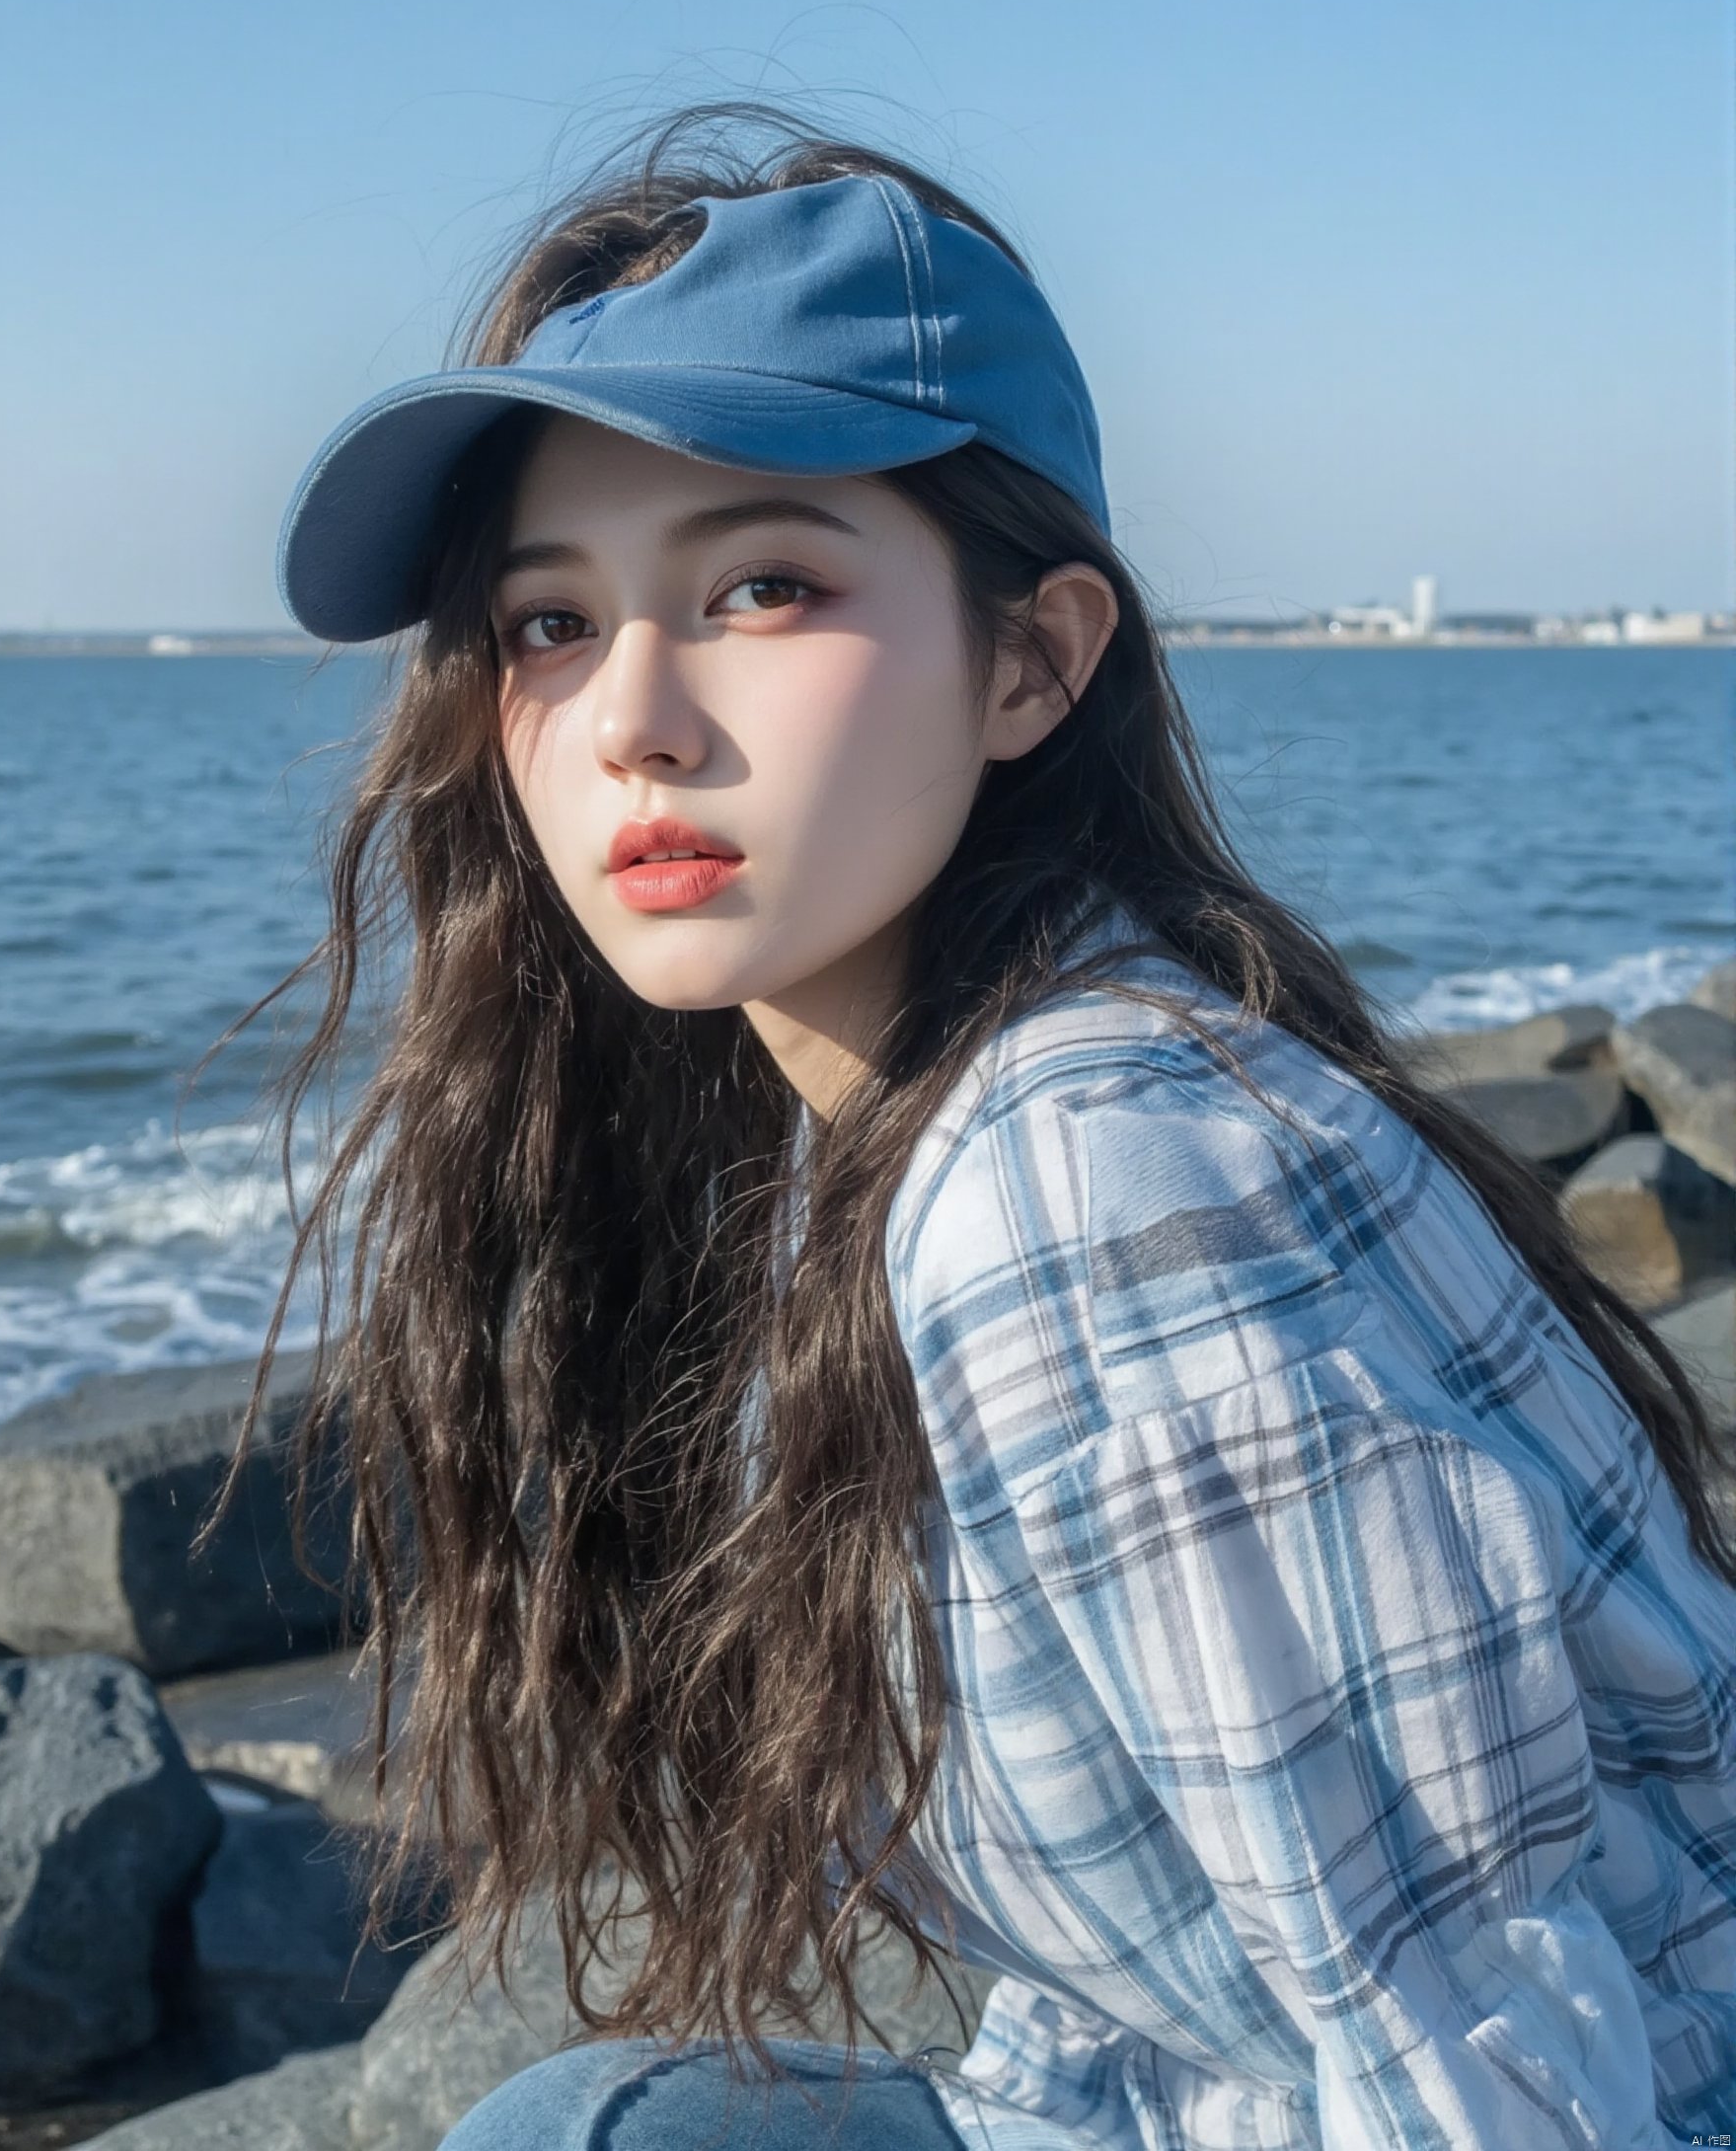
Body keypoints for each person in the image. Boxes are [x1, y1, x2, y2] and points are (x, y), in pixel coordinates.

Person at [214, 103, 1736, 2148]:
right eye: (550, 623)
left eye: (760, 583)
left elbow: (1484, 2063)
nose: (630, 716)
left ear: (1033, 658)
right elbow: (1149, 1949)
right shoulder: (873, 1132)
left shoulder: (1090, 1182)